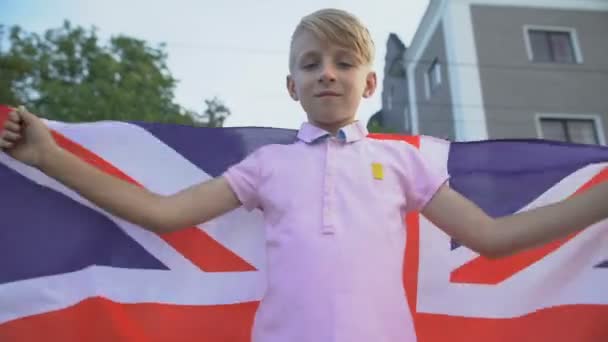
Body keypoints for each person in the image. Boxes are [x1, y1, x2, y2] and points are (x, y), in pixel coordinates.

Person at [1, 8, 606, 342]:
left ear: (369, 83)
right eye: (311, 64)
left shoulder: (404, 162)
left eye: (345, 63)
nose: (327, 74)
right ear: (291, 86)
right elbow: (162, 213)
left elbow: (493, 239)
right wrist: (50, 156)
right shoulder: (267, 166)